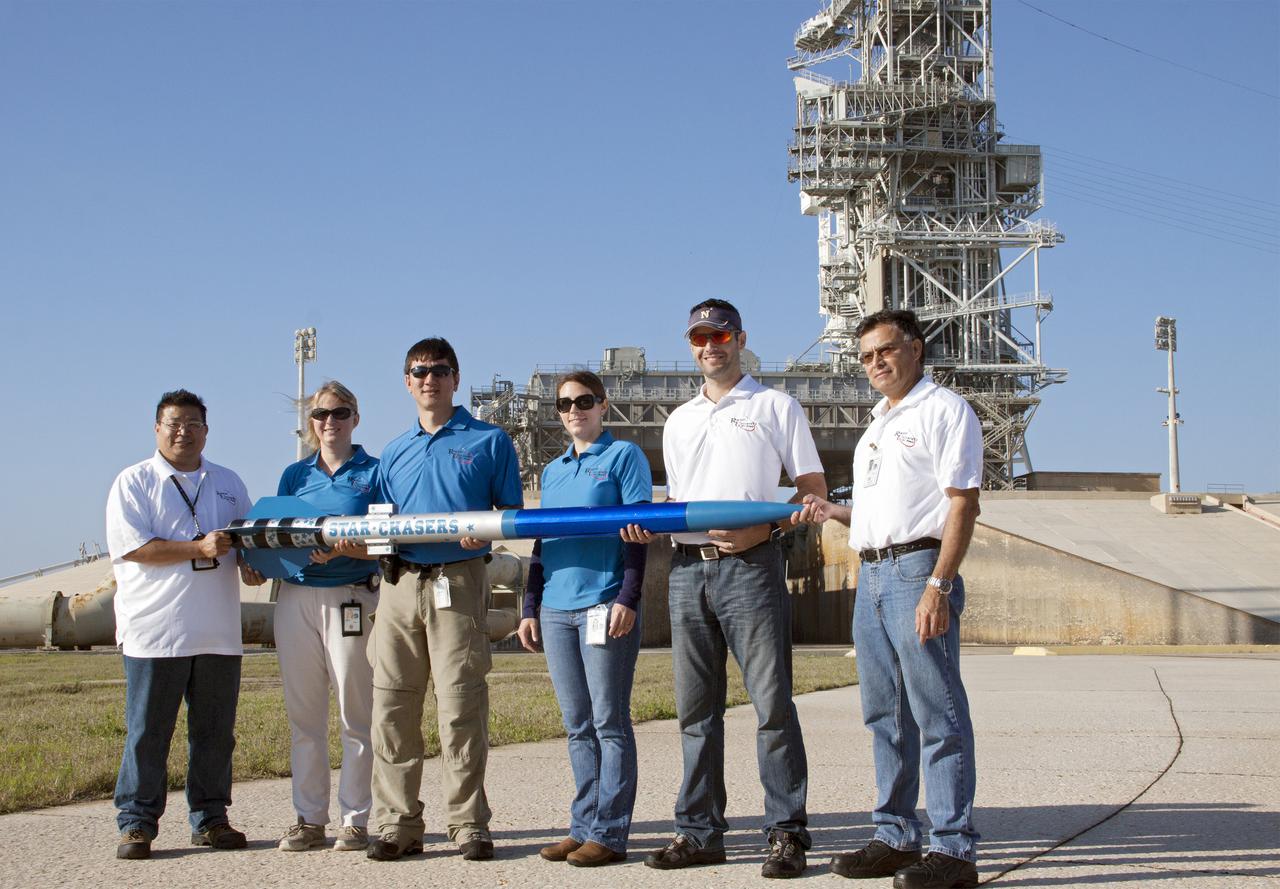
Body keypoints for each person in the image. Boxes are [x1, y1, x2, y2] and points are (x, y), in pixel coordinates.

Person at [627, 299, 827, 879]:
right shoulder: (678, 419)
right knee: (695, 712)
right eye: (699, 337)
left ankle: (786, 832)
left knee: (771, 706)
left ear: (740, 338)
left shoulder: (775, 405)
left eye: (719, 335)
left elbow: (811, 491)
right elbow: (681, 499)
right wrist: (650, 522)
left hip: (752, 569)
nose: (709, 345)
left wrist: (763, 527)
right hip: (688, 571)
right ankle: (699, 832)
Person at [794, 308, 982, 889]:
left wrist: (939, 585)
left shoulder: (945, 411)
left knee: (937, 712)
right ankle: (895, 836)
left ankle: (954, 851)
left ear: (916, 349)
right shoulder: (877, 423)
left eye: (886, 350)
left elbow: (961, 504)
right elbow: (881, 514)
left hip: (917, 571)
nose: (876, 363)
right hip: (872, 573)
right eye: (866, 355)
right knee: (885, 715)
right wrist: (832, 511)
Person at [364, 336, 523, 862]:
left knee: (459, 703)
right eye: (418, 371)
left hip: (457, 580)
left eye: (438, 369)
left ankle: (468, 823)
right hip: (398, 583)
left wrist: (487, 533)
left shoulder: (489, 440)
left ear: (455, 378)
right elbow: (379, 520)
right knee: (391, 704)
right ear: (407, 382)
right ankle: (396, 822)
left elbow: (509, 510)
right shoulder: (393, 451)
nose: (428, 378)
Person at [105, 389, 263, 860]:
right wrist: (199, 549)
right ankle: (136, 823)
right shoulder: (133, 482)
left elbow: (243, 540)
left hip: (217, 632)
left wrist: (252, 561)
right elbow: (136, 549)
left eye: (193, 423)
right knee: (148, 732)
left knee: (215, 733)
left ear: (206, 431)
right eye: (173, 423)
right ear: (157, 428)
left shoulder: (228, 482)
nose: (183, 431)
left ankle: (211, 819)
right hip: (155, 632)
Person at [516, 370, 652, 868]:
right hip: (555, 608)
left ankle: (610, 832)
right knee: (577, 724)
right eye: (565, 404)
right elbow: (540, 539)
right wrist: (530, 606)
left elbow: (640, 533)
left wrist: (628, 598)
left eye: (585, 401)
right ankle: (583, 826)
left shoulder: (624, 457)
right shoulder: (552, 472)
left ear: (603, 404)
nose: (575, 410)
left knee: (609, 721)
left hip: (602, 603)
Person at [271, 382, 381, 852]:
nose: (329, 422)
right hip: (297, 599)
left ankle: (354, 818)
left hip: (352, 596)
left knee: (355, 712)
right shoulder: (294, 476)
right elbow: (275, 538)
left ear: (356, 417)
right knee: (304, 715)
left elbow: (387, 538)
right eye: (320, 414)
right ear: (310, 421)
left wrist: (361, 549)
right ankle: (308, 817)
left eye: (339, 413)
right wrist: (301, 555)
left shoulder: (376, 471)